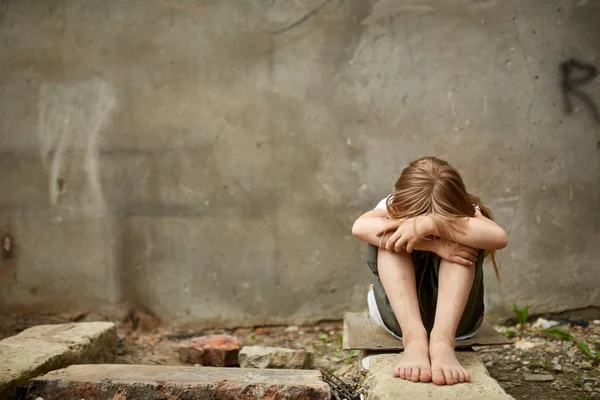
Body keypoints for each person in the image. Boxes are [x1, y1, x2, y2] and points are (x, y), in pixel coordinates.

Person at [352, 156, 507, 386]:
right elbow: (359, 227)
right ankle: (414, 342)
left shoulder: (469, 209)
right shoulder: (390, 205)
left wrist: (433, 224)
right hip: (398, 319)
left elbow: (498, 237)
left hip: (459, 321)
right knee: (390, 242)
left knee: (464, 246)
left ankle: (442, 343)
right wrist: (435, 244)